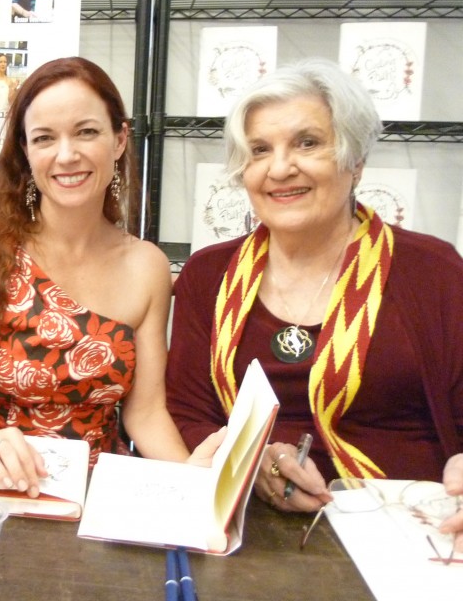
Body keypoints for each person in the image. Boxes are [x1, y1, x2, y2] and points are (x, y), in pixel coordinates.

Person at [164, 58, 463, 551]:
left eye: (308, 143)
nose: (280, 168)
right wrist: (252, 461)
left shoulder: (433, 273)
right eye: (260, 150)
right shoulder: (207, 274)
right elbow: (189, 409)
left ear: (356, 160)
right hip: (248, 528)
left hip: (408, 531)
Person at [0, 57, 223, 497]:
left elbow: (144, 415)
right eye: (44, 138)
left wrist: (191, 478)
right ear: (26, 153)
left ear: (120, 139)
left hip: (95, 496)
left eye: (86, 132)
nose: (66, 155)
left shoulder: (147, 265)